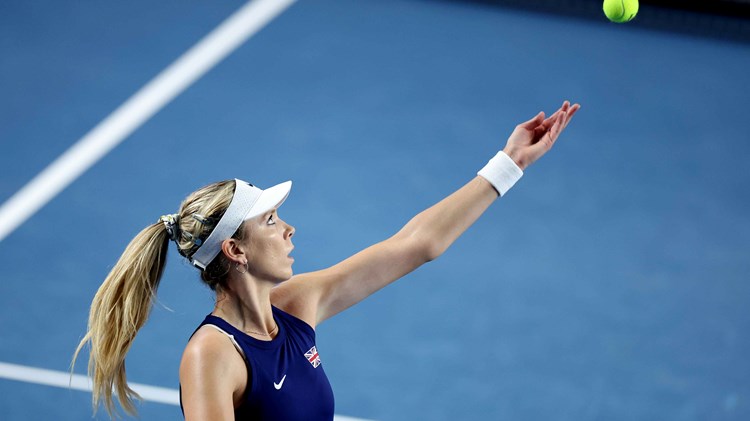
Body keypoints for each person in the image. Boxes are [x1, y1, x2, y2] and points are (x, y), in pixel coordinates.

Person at [73, 100, 580, 420]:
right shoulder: (213, 355)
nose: (289, 229)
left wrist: (508, 165)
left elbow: (415, 244)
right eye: (271, 222)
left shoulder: (294, 305)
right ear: (235, 250)